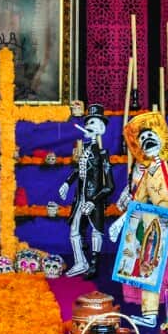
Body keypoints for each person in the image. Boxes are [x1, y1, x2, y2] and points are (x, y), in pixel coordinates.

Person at [111, 112, 168, 329]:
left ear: (161, 140)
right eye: (142, 139)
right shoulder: (145, 177)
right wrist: (119, 222)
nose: (147, 141)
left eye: (150, 136)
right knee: (148, 267)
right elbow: (137, 203)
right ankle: (150, 313)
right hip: (156, 224)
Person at [60, 104, 114, 277]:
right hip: (80, 198)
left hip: (93, 199)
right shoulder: (85, 151)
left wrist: (93, 201)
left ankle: (93, 264)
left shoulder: (103, 154)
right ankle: (80, 262)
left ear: (99, 128)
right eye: (87, 122)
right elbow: (79, 170)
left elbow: (109, 185)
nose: (87, 125)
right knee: (74, 231)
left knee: (96, 231)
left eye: (91, 122)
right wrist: (67, 183)